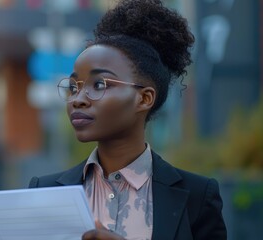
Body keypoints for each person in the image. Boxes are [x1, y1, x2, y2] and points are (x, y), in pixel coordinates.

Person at [29, 0, 227, 239]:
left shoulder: (197, 196)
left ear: (144, 98)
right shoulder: (45, 192)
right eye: (73, 87)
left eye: (99, 84)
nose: (77, 99)